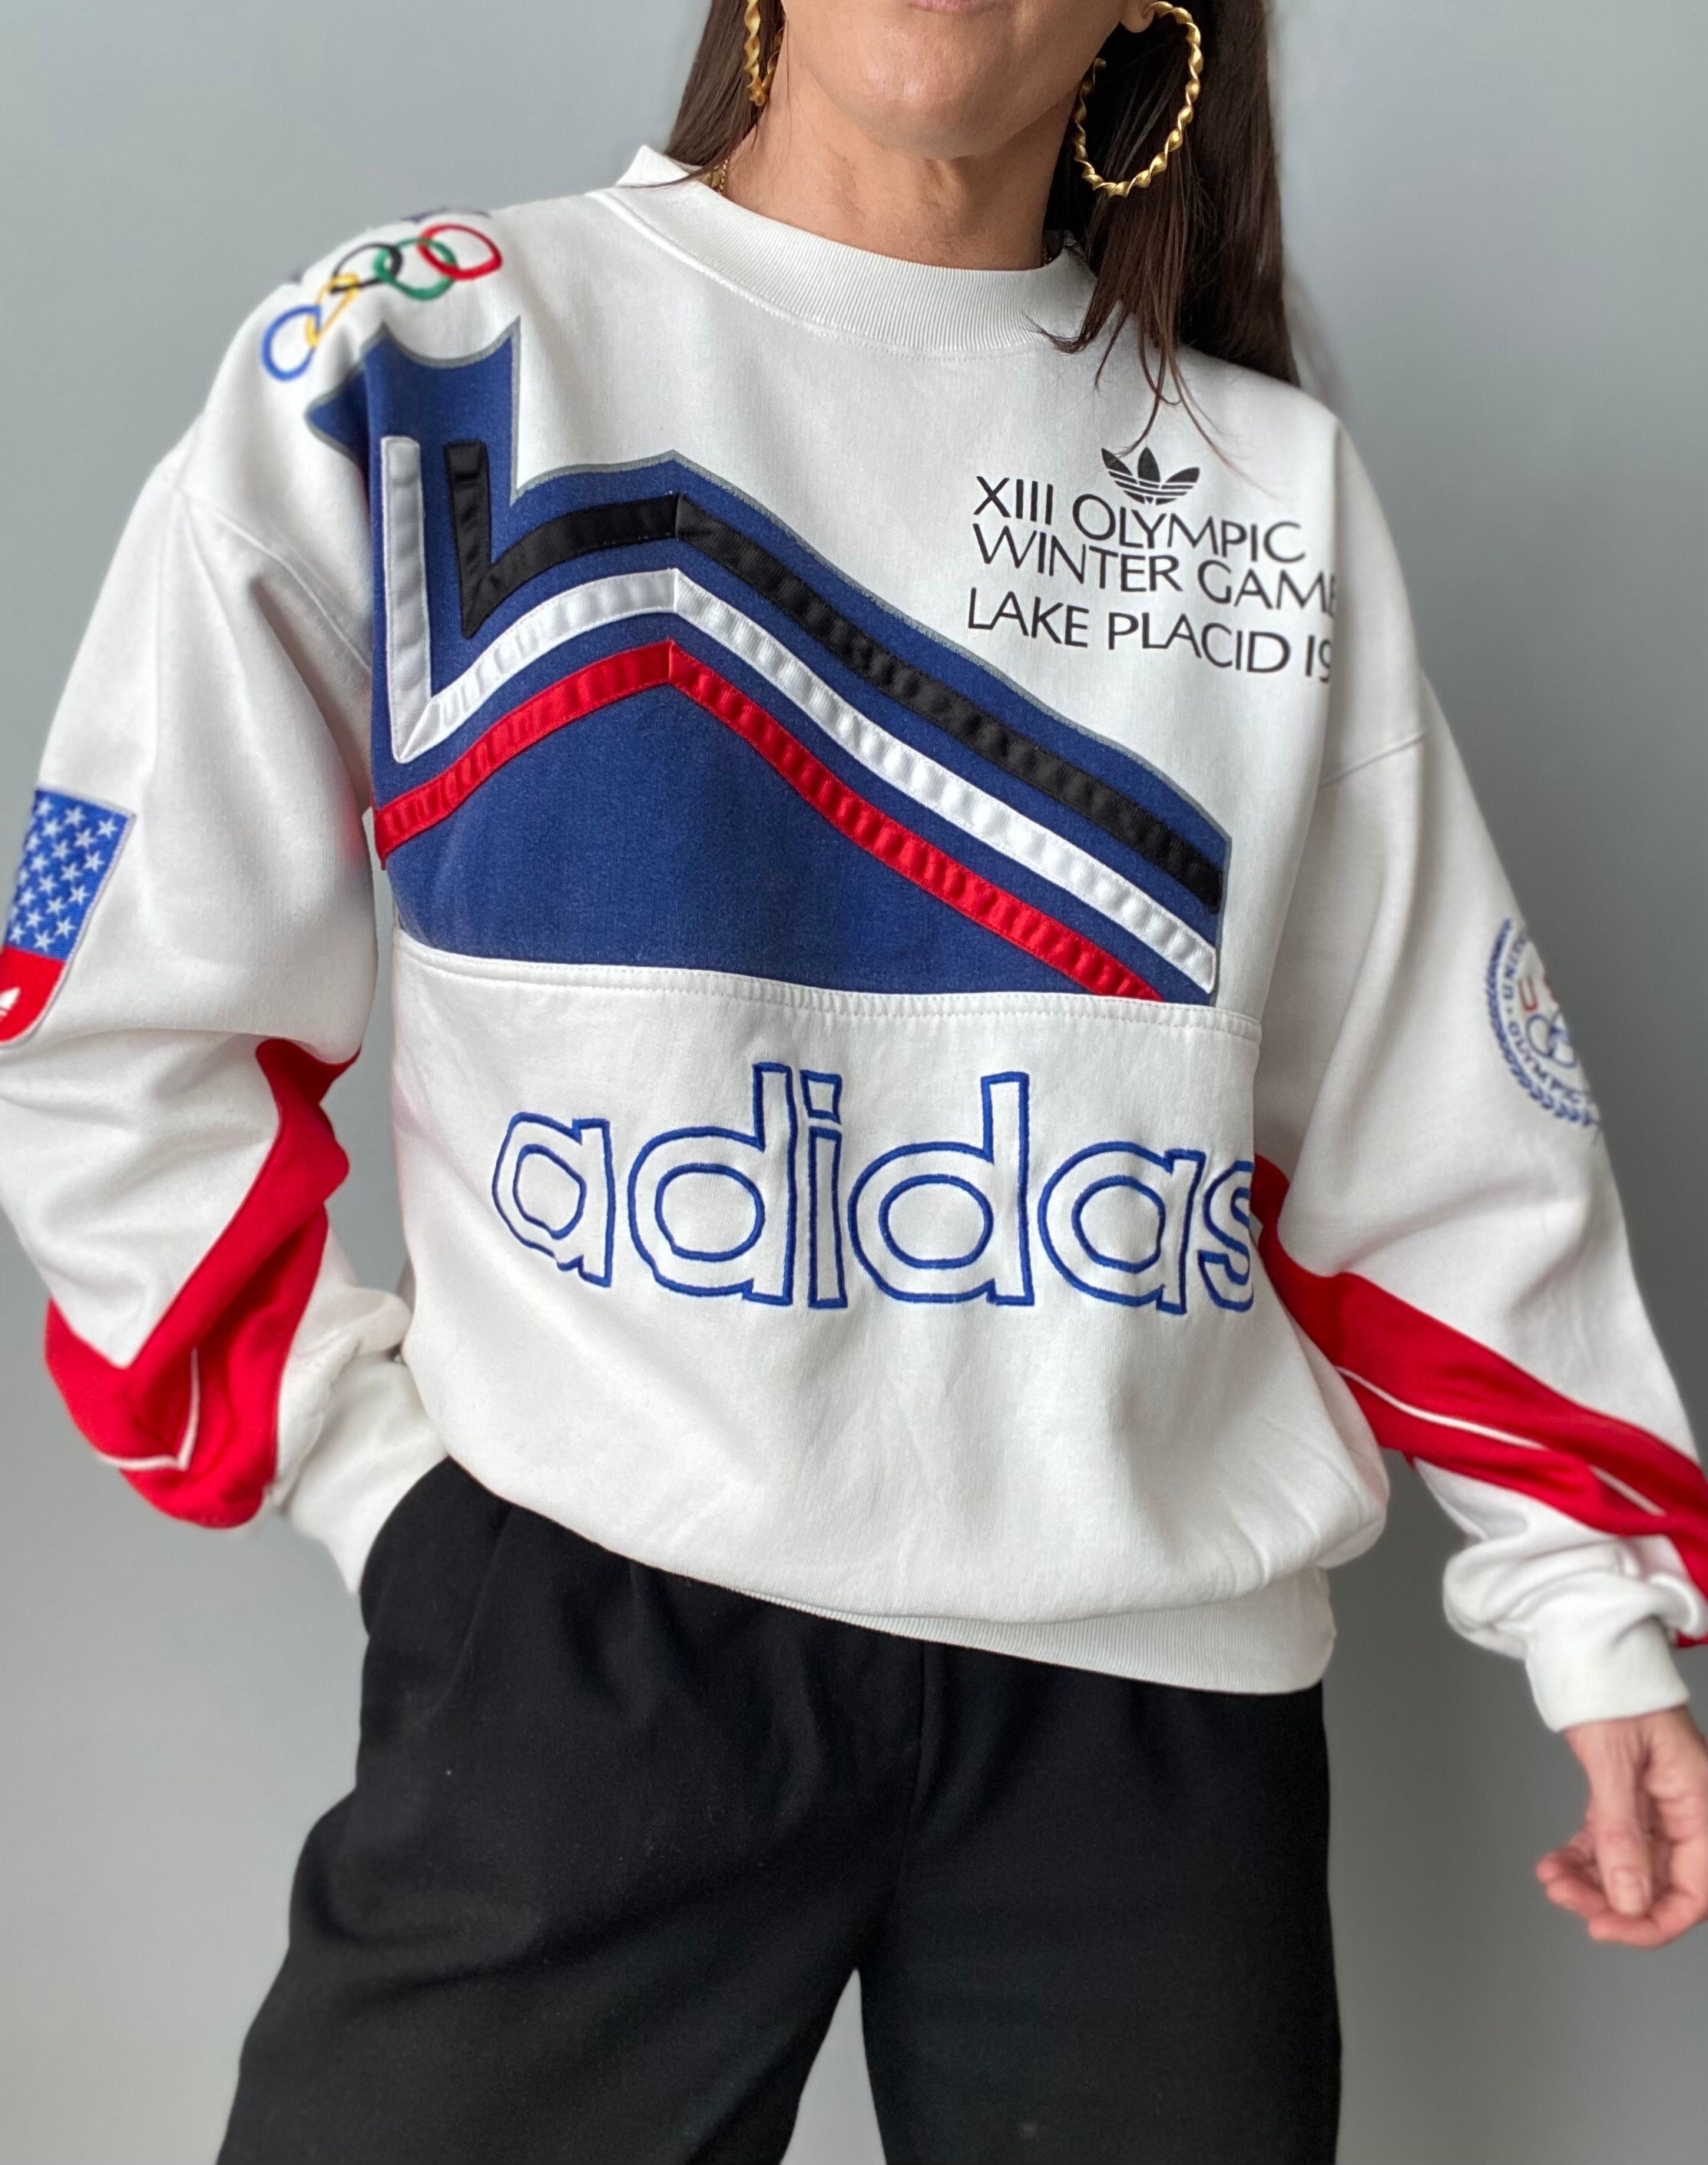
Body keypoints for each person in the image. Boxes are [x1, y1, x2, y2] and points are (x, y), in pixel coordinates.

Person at [2, 1, 1704, 2158]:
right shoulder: (416, 352)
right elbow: (110, 1012)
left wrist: (1596, 1615)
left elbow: (1426, 1103)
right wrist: (386, 1496)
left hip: (1153, 1721)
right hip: (589, 1624)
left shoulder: (1266, 488)